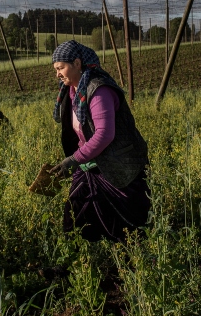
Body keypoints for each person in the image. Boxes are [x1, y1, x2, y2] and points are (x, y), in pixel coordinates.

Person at [49, 40, 150, 242]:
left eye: (61, 68)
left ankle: (130, 264)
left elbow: (104, 134)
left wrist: (74, 159)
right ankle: (74, 261)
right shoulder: (73, 91)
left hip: (118, 165)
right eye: (56, 69)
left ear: (77, 63)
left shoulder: (98, 90)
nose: (57, 74)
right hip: (90, 164)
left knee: (125, 225)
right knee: (75, 209)